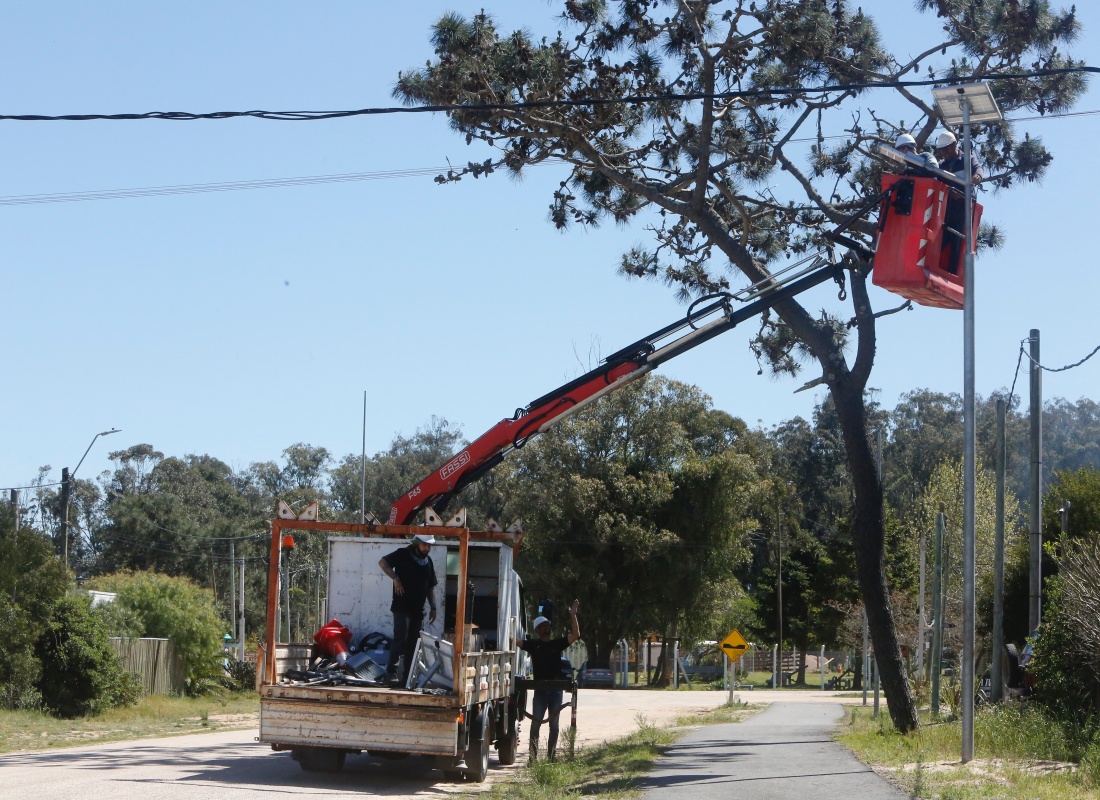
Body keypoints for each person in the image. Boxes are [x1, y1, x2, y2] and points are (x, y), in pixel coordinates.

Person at [521, 599, 580, 762]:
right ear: (537, 630)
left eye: (547, 625)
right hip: (540, 692)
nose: (546, 627)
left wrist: (573, 615)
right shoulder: (533, 645)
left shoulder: (557, 644)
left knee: (554, 726)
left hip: (555, 692)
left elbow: (575, 635)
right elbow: (516, 642)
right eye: (542, 626)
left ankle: (551, 757)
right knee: (536, 724)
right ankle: (533, 759)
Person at [378, 532, 438, 686]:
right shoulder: (403, 554)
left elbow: (430, 587)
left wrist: (433, 607)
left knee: (413, 643)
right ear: (417, 543)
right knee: (400, 637)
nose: (427, 548)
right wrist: (395, 578)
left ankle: (407, 677)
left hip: (418, 610)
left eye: (429, 545)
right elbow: (383, 562)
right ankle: (391, 673)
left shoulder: (428, 562)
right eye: (424, 545)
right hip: (401, 606)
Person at [934, 130, 984, 275]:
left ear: (954, 145)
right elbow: (936, 182)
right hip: (947, 209)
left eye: (947, 149)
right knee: (941, 239)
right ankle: (936, 269)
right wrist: (948, 190)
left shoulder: (967, 160)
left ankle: (951, 274)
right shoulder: (941, 165)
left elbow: (978, 169)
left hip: (964, 209)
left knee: (957, 243)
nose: (945, 153)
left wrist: (977, 177)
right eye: (942, 150)